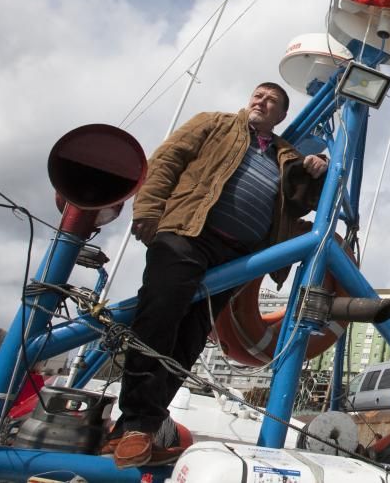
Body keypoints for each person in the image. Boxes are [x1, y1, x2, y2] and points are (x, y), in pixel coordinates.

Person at [109, 83, 329, 468]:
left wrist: (317, 171)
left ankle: (134, 429)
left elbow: (302, 201)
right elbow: (169, 158)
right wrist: (148, 208)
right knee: (159, 316)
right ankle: (137, 426)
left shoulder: (285, 156)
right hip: (188, 232)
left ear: (281, 116)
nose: (261, 102)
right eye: (258, 96)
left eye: (272, 101)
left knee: (192, 336)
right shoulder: (214, 124)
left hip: (236, 259)